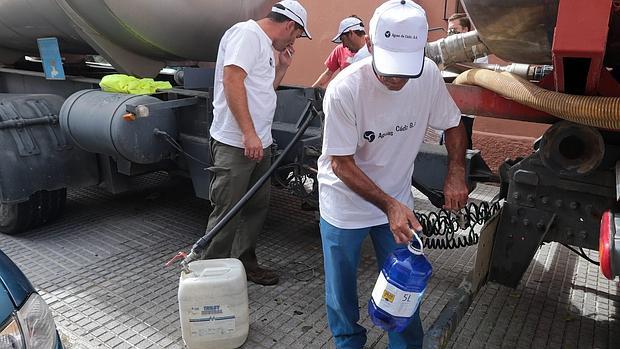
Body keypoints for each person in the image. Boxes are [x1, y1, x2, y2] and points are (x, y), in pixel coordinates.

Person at [317, 1, 469, 348]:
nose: (396, 79)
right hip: (345, 204)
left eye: (405, 69)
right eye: (389, 69)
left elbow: (454, 124)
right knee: (341, 291)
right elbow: (340, 163)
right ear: (369, 44)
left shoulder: (427, 75)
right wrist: (389, 205)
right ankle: (348, 342)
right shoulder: (345, 89)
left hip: (396, 203)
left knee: (404, 285)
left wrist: (456, 172)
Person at [203, 0, 311, 286]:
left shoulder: (266, 46)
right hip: (236, 144)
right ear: (290, 25)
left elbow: (264, 89)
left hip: (260, 143)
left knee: (256, 207)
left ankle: (244, 262)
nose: (295, 40)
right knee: (227, 211)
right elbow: (232, 81)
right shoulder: (247, 35)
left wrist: (283, 68)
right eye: (298, 34)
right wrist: (249, 134)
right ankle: (211, 277)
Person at [446, 12, 487, 149]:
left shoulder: (478, 51)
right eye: (449, 30)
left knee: (463, 143)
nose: (451, 33)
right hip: (447, 106)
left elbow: (478, 75)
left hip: (465, 109)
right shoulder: (445, 49)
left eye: (454, 30)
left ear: (465, 30)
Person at [311, 16, 368, 88]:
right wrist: (309, 92)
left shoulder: (374, 49)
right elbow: (328, 73)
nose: (343, 45)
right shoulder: (340, 49)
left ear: (351, 33)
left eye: (343, 39)